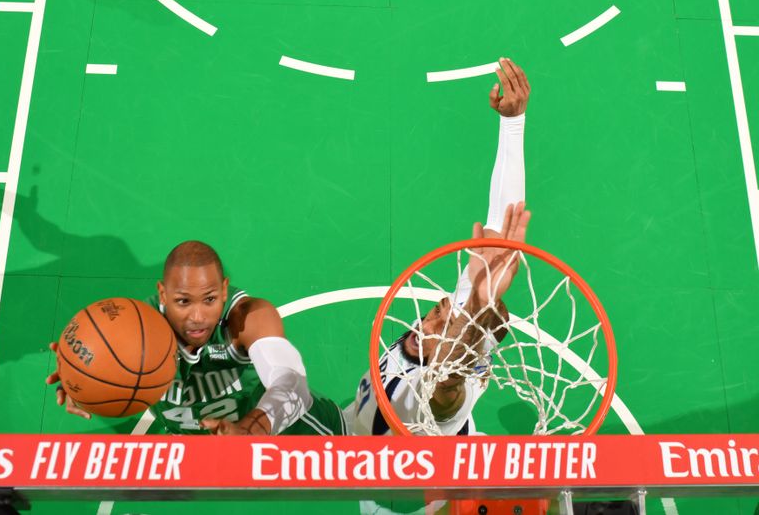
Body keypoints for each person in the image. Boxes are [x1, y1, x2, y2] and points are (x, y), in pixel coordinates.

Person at [347, 57, 531, 437]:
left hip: (396, 489)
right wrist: (513, 124)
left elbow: (447, 378)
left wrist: (480, 308)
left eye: (444, 324)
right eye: (436, 311)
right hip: (350, 428)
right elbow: (500, 222)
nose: (426, 322)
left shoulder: (445, 395)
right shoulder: (432, 335)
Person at [47, 241, 346, 436]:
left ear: (225, 290)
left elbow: (291, 382)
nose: (198, 317)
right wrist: (85, 381)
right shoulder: (135, 331)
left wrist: (252, 430)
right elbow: (106, 370)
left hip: (291, 434)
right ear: (163, 294)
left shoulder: (247, 318)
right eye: (183, 302)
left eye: (210, 299)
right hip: (199, 451)